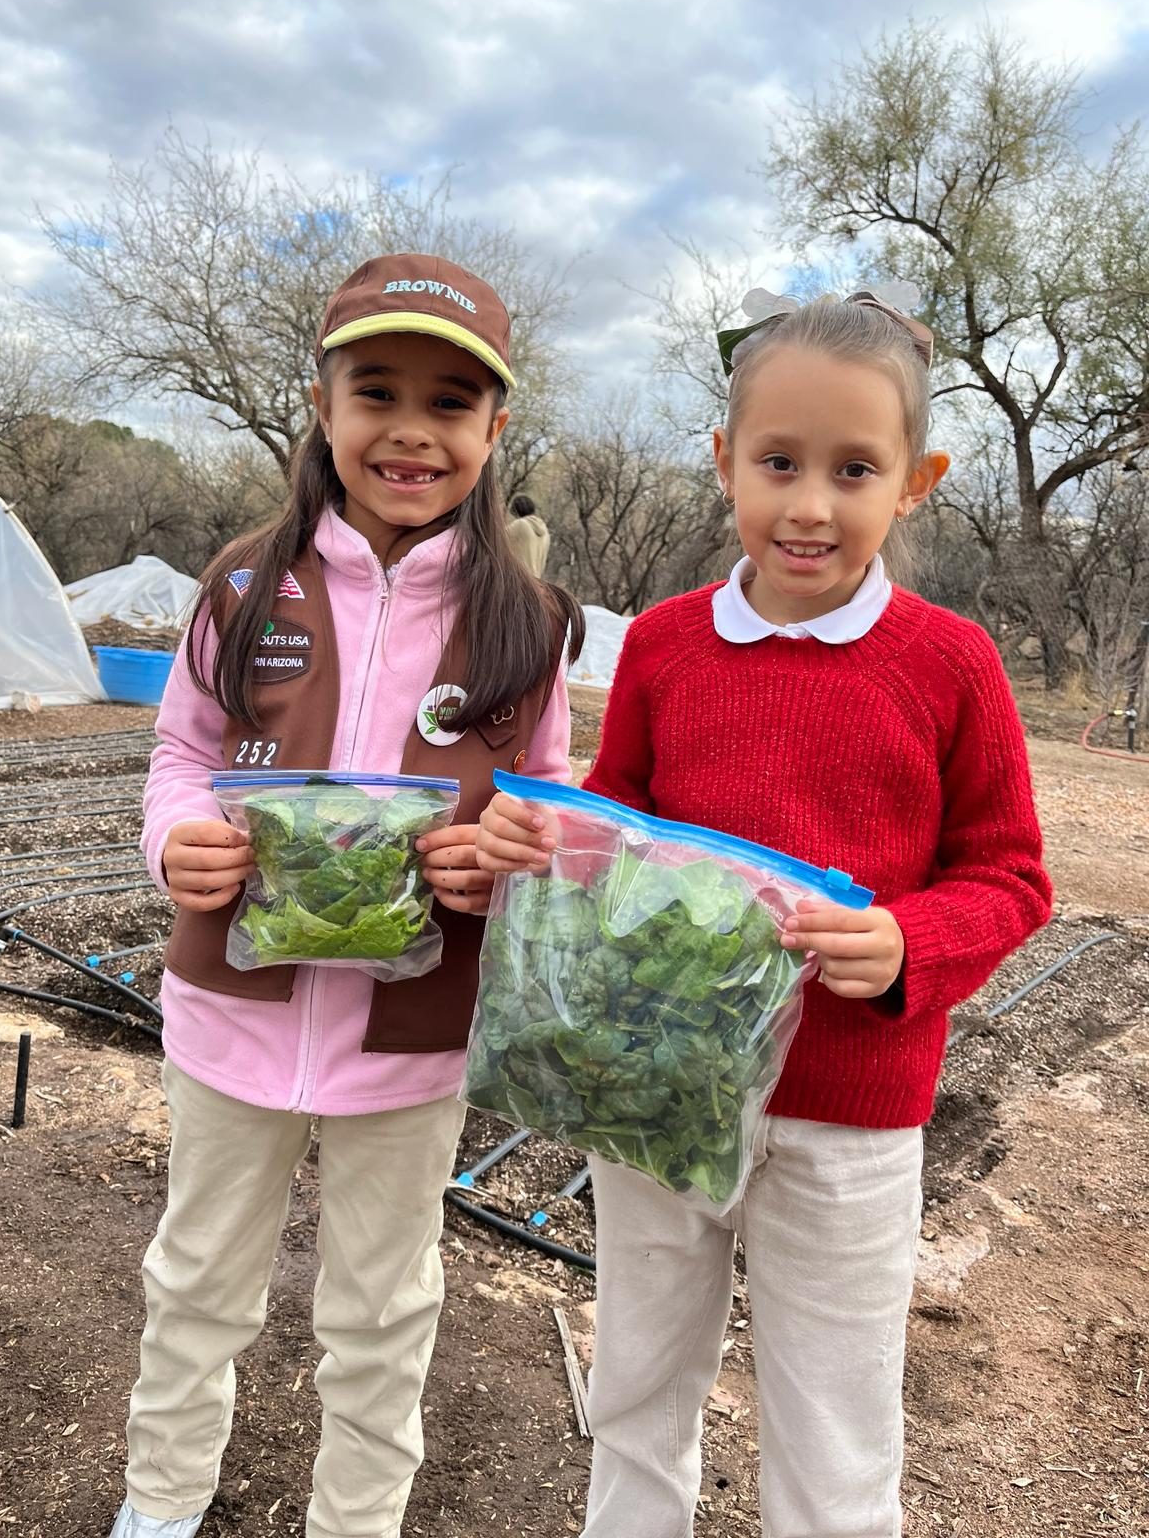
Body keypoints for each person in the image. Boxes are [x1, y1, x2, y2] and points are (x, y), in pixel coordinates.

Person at [477, 289, 1052, 1538]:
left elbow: (1010, 877)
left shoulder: (950, 664)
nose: (809, 503)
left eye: (855, 469)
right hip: (658, 1092)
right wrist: (553, 835)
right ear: (724, 461)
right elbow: (621, 827)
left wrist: (910, 942)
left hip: (849, 1117)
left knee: (835, 1426)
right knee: (636, 1383)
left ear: (918, 481)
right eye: (779, 462)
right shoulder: (670, 646)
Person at [109, 254, 583, 1538]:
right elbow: (181, 753)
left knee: (382, 1307)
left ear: (495, 429)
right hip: (232, 1010)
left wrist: (506, 848)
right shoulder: (244, 582)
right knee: (198, 1280)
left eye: (451, 401)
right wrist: (178, 843)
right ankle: (158, 1509)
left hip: (414, 1039)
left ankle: (357, 1520)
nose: (411, 430)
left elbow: (548, 797)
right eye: (377, 390)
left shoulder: (526, 622)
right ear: (323, 406)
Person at [506, 493, 551, 576]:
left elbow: (497, 539)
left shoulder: (520, 524)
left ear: (516, 511)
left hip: (520, 579)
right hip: (537, 580)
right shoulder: (545, 529)